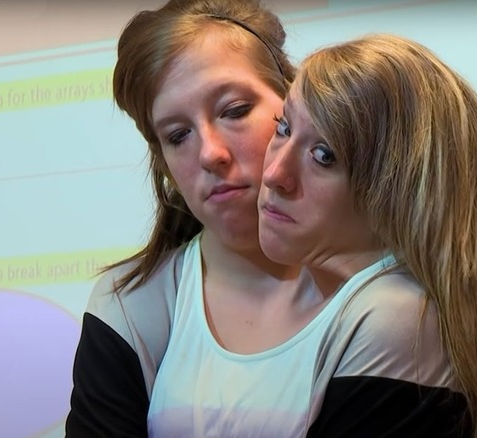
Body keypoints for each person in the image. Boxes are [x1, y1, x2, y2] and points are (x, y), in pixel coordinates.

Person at [258, 34, 477, 437]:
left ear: (403, 192)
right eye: (284, 127)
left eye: (325, 155)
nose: (274, 174)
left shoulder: (394, 318)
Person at [65, 0, 305, 436]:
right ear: (164, 162)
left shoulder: (382, 290)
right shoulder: (130, 307)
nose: (211, 153)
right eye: (178, 135)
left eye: (234, 110)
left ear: (295, 107)